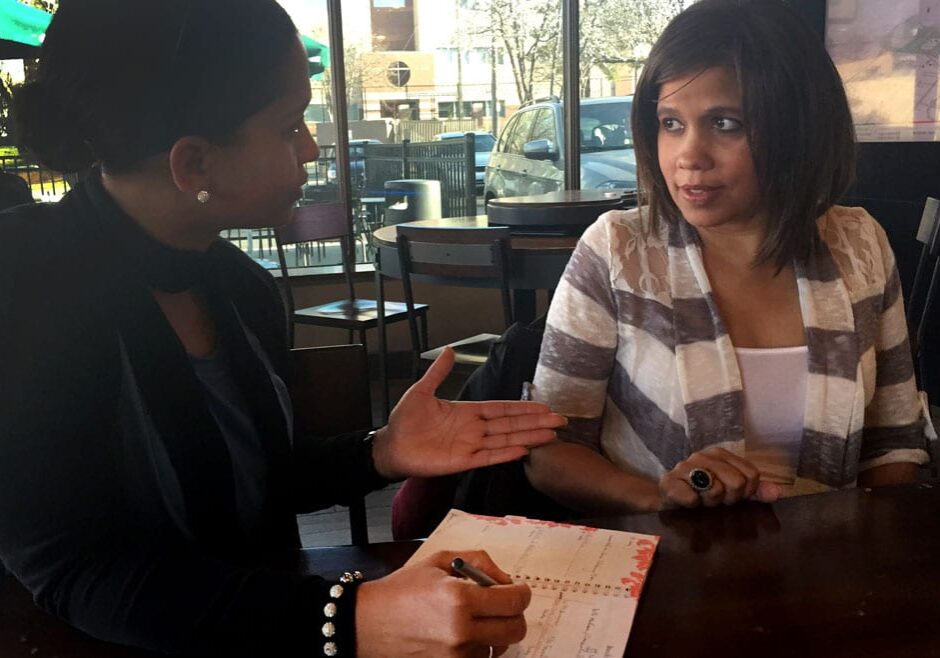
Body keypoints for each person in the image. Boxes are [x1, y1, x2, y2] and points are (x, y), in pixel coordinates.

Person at [0, 1, 566, 656]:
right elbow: (74, 570)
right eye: (290, 125)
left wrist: (380, 451)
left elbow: (258, 481)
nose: (311, 148)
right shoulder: (23, 286)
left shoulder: (238, 286)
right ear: (195, 165)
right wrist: (347, 617)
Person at [525, 0, 933, 516]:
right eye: (671, 123)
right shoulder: (618, 249)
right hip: (665, 554)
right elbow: (549, 450)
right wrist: (660, 499)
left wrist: (862, 541)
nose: (689, 156)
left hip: (827, 558)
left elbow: (893, 442)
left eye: (724, 123)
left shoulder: (859, 244)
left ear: (797, 129)